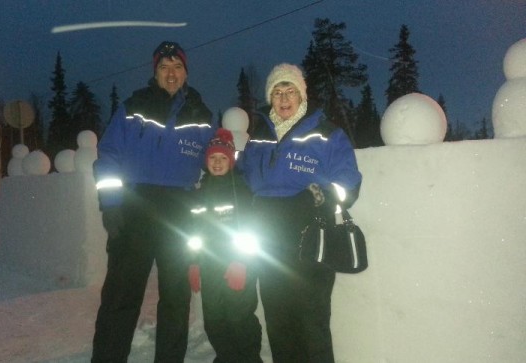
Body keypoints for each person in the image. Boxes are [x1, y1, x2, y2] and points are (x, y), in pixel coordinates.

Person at [91, 40, 215, 362]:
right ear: (155, 72)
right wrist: (112, 203)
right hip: (135, 210)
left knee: (176, 299)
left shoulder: (201, 114)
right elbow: (109, 156)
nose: (171, 74)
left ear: (185, 72)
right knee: (121, 296)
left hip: (179, 214)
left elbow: (216, 159)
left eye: (177, 67)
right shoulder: (133, 107)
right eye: (164, 67)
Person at [238, 63, 362, 362]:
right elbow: (243, 180)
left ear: (301, 96)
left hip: (311, 240)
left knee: (311, 325)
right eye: (277, 92)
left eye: (289, 90)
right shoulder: (258, 138)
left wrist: (315, 196)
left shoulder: (326, 134)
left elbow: (348, 185)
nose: (283, 98)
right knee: (279, 324)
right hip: (268, 243)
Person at [186, 128, 263, 363]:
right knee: (214, 319)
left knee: (239, 318)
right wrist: (194, 263)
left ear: (230, 161)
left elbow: (252, 231)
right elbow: (193, 233)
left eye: (222, 158)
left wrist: (242, 262)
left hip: (237, 268)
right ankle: (227, 357)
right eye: (212, 158)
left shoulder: (240, 190)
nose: (217, 163)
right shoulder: (199, 194)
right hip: (209, 267)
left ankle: (249, 359)